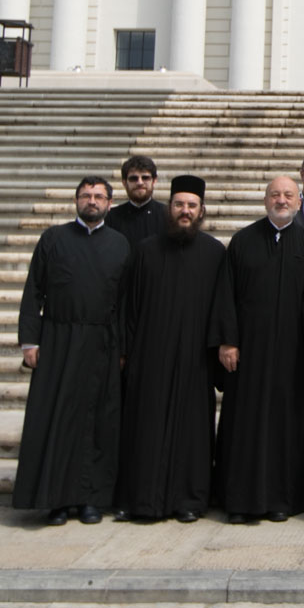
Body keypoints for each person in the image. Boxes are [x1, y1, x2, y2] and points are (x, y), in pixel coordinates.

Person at [13, 177, 130, 526]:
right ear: (76, 201)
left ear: (110, 203)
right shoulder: (53, 239)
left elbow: (126, 303)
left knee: (97, 423)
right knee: (56, 419)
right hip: (59, 340)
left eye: (99, 196)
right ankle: (57, 500)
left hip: (103, 344)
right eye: (86, 196)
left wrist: (123, 347)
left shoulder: (121, 244)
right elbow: (34, 290)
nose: (92, 201)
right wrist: (30, 341)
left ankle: (90, 500)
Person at [115, 174, 226, 524]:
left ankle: (190, 500)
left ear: (202, 211)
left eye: (192, 206)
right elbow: (128, 308)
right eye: (179, 204)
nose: (185, 211)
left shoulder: (214, 252)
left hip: (195, 360)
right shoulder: (146, 251)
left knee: (193, 431)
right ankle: (142, 500)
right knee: (144, 428)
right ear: (169, 208)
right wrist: (126, 352)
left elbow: (223, 309)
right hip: (150, 357)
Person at [211, 174, 304, 524]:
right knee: (245, 425)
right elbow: (225, 293)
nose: (282, 200)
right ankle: (240, 500)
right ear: (265, 200)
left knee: (287, 427)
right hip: (249, 353)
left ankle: (282, 499)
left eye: (288, 195)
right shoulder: (243, 241)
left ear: (299, 202)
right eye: (275, 194)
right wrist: (228, 340)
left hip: (291, 353)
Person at [107, 154, 165, 252]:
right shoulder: (111, 217)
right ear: (124, 183)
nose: (140, 182)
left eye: (145, 178)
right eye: (134, 178)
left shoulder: (167, 215)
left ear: (154, 181)